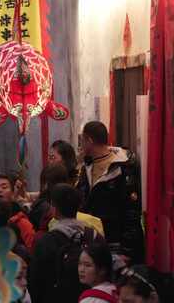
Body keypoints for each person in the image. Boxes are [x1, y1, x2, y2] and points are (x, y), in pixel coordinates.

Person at [77, 121, 144, 264]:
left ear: (89, 141)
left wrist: (127, 250)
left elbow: (131, 211)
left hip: (117, 244)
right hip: (94, 242)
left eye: (82, 140)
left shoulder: (123, 168)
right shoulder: (86, 167)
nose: (80, 145)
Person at [30, 183, 104, 303]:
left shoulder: (45, 241)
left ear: (53, 207)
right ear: (78, 206)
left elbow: (36, 283)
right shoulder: (94, 237)